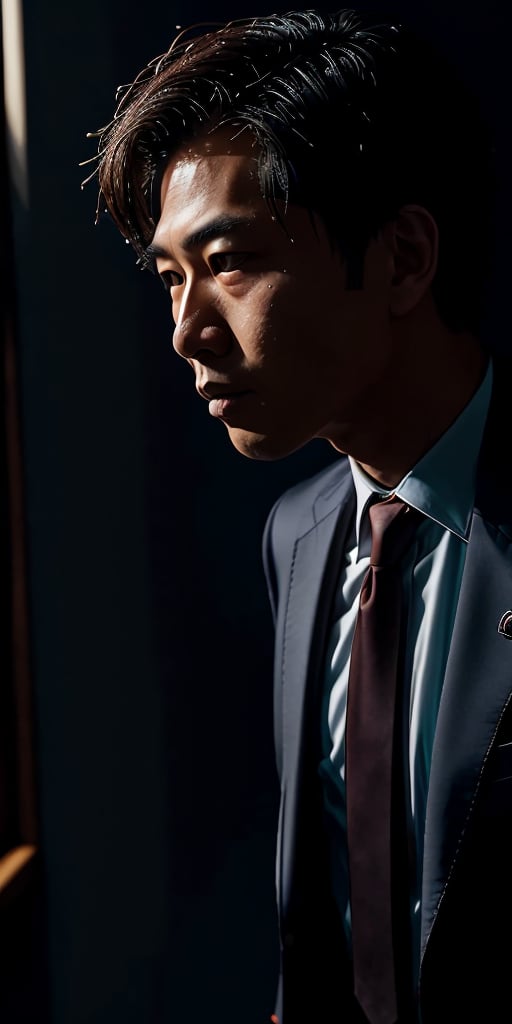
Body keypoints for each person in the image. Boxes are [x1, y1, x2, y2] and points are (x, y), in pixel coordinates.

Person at [83, 8, 511, 1022]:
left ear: (402, 258)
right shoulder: (299, 533)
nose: (187, 329)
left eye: (227, 261)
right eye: (169, 278)